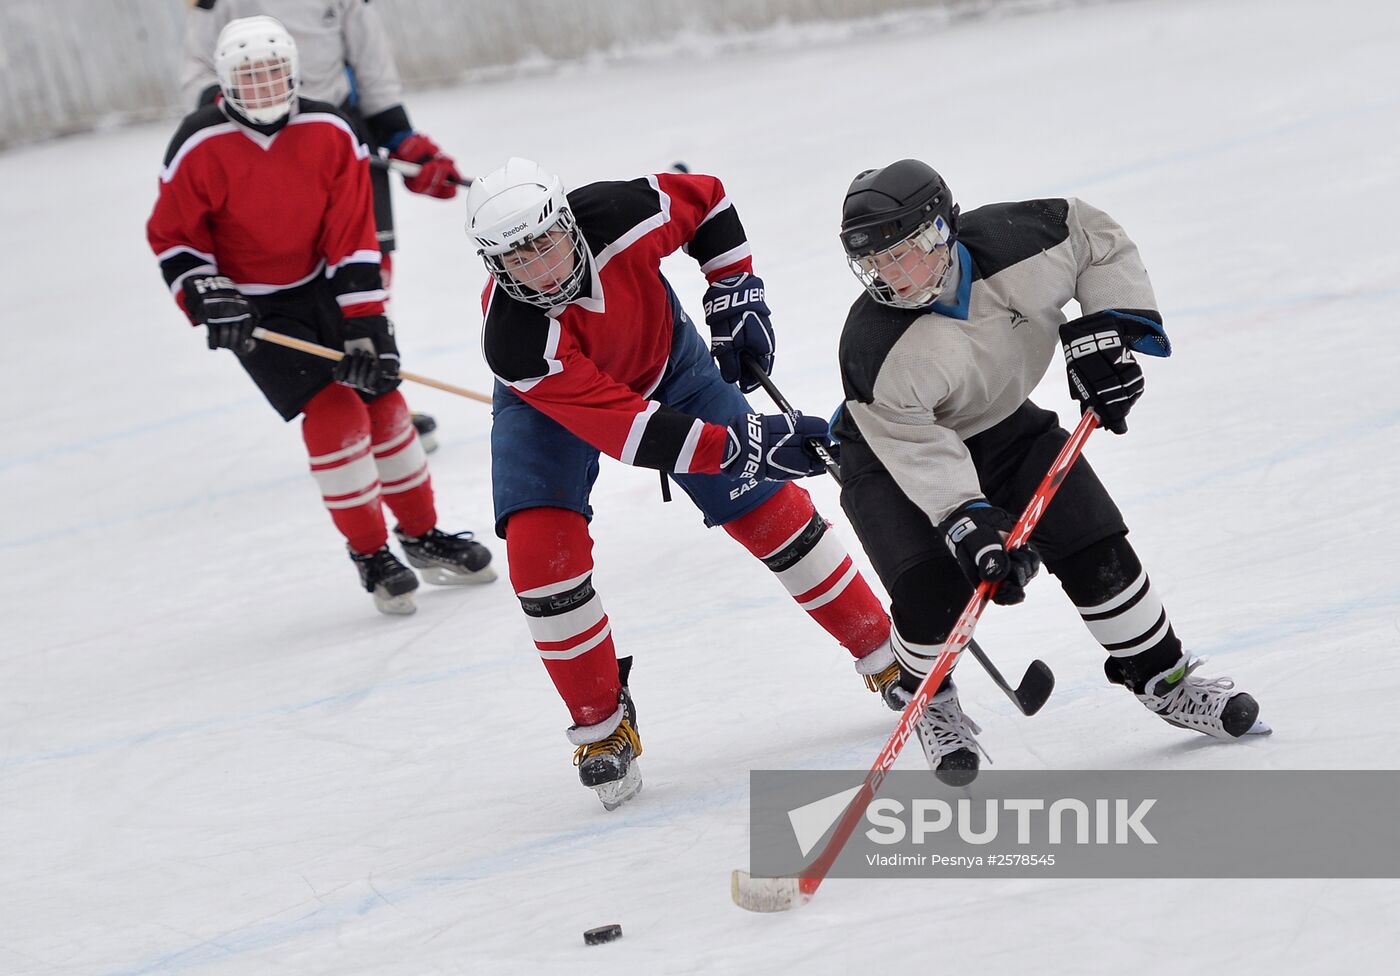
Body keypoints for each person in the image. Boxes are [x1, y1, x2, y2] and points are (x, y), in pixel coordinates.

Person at [463, 158, 898, 810]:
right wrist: (752, 445)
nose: (542, 269)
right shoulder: (517, 341)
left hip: (668, 361)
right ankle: (603, 730)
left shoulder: (618, 213)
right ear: (494, 266)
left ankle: (885, 652)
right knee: (539, 560)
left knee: (767, 508)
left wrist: (735, 293)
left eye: (546, 243)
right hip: (552, 412)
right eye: (518, 260)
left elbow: (712, 205)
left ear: (568, 225)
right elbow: (639, 435)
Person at [832, 159, 1269, 785]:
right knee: (936, 600)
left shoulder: (1021, 241)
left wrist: (1108, 328)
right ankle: (923, 694)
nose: (890, 277)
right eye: (875, 264)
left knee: (1099, 550)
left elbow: (1097, 240)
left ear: (940, 231)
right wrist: (967, 521)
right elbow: (913, 445)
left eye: (902, 255)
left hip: (1007, 426)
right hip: (891, 461)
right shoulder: (873, 345)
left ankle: (1164, 679)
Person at [147, 16, 495, 615]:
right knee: (335, 413)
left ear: (294, 73)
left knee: (383, 399)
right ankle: (369, 553)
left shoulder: (332, 131)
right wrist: (206, 292)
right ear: (225, 83)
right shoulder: (198, 144)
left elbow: (354, 235)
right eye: (247, 78)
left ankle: (421, 535)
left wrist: (364, 322)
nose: (262, 89)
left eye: (272, 75)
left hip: (325, 289)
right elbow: (174, 238)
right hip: (255, 306)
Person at [182, 0, 462, 452]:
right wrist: (241, 120)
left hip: (336, 135)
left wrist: (402, 138)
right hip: (257, 143)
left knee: (366, 268)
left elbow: (370, 63)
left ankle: (373, 389)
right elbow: (199, 70)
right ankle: (338, 403)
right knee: (293, 273)